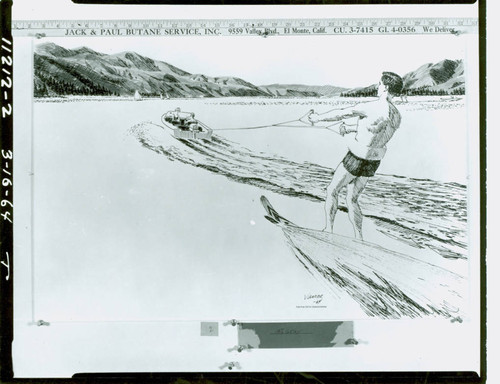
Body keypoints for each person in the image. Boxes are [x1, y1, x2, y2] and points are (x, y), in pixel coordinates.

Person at [305, 72, 403, 239]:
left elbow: (342, 113)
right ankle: (359, 238)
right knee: (352, 199)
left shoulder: (372, 106)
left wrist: (317, 118)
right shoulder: (396, 115)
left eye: (379, 84)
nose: (377, 87)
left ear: (385, 87)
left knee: (332, 191)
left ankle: (328, 232)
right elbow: (375, 132)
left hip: (357, 158)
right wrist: (350, 129)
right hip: (373, 161)